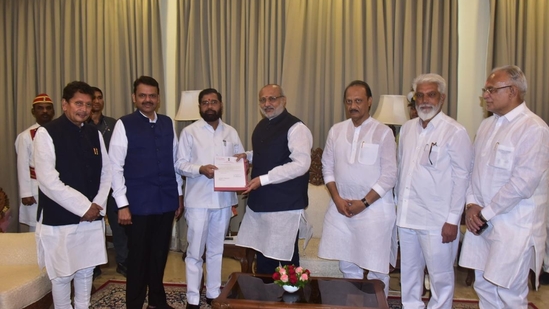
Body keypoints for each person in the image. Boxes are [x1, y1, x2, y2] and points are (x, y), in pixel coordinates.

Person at [459, 65, 549, 308]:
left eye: (491, 89)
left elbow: (523, 184)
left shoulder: (534, 128)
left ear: (512, 91)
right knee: (484, 286)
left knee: (508, 292)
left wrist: (484, 214)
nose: (485, 95)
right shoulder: (487, 125)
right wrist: (471, 204)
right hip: (483, 223)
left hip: (514, 226)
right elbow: (472, 170)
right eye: (485, 90)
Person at [396, 73, 473, 308]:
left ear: (442, 98)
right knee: (408, 275)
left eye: (431, 94)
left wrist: (452, 220)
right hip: (407, 218)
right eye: (420, 95)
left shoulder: (455, 132)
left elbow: (463, 178)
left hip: (437, 221)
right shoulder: (407, 129)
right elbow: (402, 171)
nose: (425, 100)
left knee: (441, 280)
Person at [33, 81, 111, 309]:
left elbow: (107, 172)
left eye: (88, 104)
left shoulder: (93, 133)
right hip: (60, 219)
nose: (84, 109)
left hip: (92, 215)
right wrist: (83, 207)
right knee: (62, 275)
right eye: (78, 103)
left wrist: (97, 204)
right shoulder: (46, 133)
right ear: (64, 104)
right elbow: (48, 181)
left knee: (86, 270)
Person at [317, 80, 397, 297]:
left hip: (374, 212)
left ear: (369, 102)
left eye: (358, 101)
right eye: (349, 101)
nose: (353, 106)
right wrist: (337, 199)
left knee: (377, 270)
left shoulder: (383, 132)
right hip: (341, 210)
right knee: (348, 267)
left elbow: (389, 175)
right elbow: (327, 167)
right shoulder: (336, 131)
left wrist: (364, 203)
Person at [109, 76, 183, 309]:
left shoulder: (167, 122)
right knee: (138, 259)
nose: (147, 100)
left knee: (159, 255)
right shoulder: (124, 124)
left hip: (165, 201)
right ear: (134, 98)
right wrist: (122, 204)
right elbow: (115, 167)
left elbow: (175, 161)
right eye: (143, 95)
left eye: (152, 95)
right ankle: (134, 304)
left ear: (158, 98)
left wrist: (178, 195)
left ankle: (157, 303)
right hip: (138, 204)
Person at [175, 88, 244, 309]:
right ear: (199, 107)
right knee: (195, 252)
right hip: (198, 200)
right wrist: (200, 169)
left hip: (223, 200)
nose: (209, 106)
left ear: (220, 104)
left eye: (213, 102)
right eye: (205, 102)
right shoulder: (190, 132)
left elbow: (240, 159)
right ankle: (193, 298)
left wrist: (242, 164)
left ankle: (214, 293)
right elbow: (180, 164)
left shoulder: (231, 132)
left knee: (216, 250)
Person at [235, 84, 313, 275]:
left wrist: (264, 179)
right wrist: (248, 156)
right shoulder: (262, 125)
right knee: (264, 259)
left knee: (287, 263)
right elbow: (270, 153)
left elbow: (301, 164)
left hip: (285, 207)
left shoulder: (297, 128)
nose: (267, 103)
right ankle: (265, 300)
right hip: (262, 204)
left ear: (283, 100)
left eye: (272, 98)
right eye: (263, 99)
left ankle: (291, 302)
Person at [87, 86, 128, 278]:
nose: (96, 101)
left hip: (112, 183)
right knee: (92, 225)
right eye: (93, 98)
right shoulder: (81, 124)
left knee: (119, 225)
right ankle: (93, 263)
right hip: (89, 185)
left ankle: (123, 260)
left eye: (99, 97)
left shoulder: (114, 124)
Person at [15, 93, 55, 232]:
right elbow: (22, 165)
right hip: (35, 190)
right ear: (33, 111)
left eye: (48, 108)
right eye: (40, 108)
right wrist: (26, 193)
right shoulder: (25, 136)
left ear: (53, 111)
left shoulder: (59, 132)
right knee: (36, 229)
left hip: (57, 188)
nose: (45, 111)